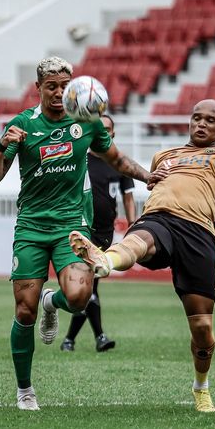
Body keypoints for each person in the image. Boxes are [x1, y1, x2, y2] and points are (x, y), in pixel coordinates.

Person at [69, 99, 215, 412]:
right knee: (139, 241)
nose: (201, 124)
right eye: (197, 118)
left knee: (202, 328)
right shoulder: (164, 155)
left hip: (198, 233)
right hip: (158, 217)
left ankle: (201, 387)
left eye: (210, 120)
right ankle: (105, 260)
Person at [0, 56, 156, 411]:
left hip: (71, 226)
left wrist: (146, 176)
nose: (59, 93)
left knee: (78, 298)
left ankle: (54, 302)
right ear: (39, 89)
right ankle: (25, 390)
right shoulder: (23, 125)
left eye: (64, 86)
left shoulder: (87, 123)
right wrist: (3, 144)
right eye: (52, 87)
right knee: (25, 313)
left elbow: (118, 160)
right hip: (31, 227)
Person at [60, 114, 137, 353]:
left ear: (112, 134)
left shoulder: (118, 163)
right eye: (98, 127)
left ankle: (72, 339)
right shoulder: (80, 159)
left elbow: (128, 197)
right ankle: (98, 337)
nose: (102, 132)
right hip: (82, 231)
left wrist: (133, 226)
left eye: (107, 129)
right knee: (89, 286)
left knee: (89, 288)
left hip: (105, 234)